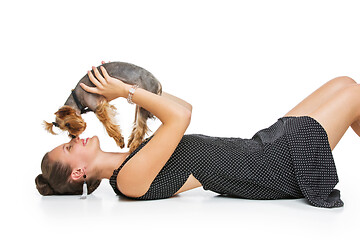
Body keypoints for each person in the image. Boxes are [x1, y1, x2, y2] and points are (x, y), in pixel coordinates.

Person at [36, 66, 360, 208]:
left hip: (262, 147)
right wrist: (126, 92)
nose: (75, 139)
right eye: (68, 147)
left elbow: (181, 106)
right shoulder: (128, 180)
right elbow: (181, 117)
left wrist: (127, 84)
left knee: (344, 83)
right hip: (277, 168)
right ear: (78, 173)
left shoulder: (134, 155)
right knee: (355, 95)